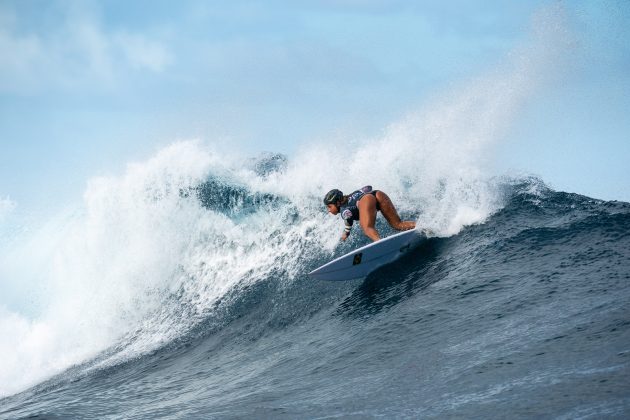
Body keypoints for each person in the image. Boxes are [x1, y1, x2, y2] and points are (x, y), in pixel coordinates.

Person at [323, 185, 416, 242]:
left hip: (366, 200)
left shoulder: (344, 210)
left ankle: (379, 242)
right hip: (378, 194)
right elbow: (368, 187)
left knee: (366, 228)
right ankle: (422, 225)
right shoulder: (353, 194)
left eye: (330, 206)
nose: (329, 210)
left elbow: (348, 222)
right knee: (398, 224)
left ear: (338, 203)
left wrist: (345, 234)